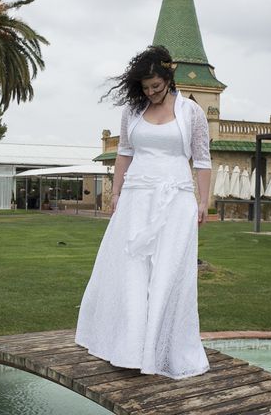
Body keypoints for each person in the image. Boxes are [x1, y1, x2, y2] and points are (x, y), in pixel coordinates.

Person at [75, 45, 211, 379]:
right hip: (136, 199)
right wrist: (116, 191)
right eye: (145, 88)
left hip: (175, 200)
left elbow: (202, 160)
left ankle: (162, 350)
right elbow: (124, 153)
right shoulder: (131, 111)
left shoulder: (191, 112)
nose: (150, 93)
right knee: (132, 271)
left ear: (169, 79)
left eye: (156, 87)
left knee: (168, 271)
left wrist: (203, 200)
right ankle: (128, 347)